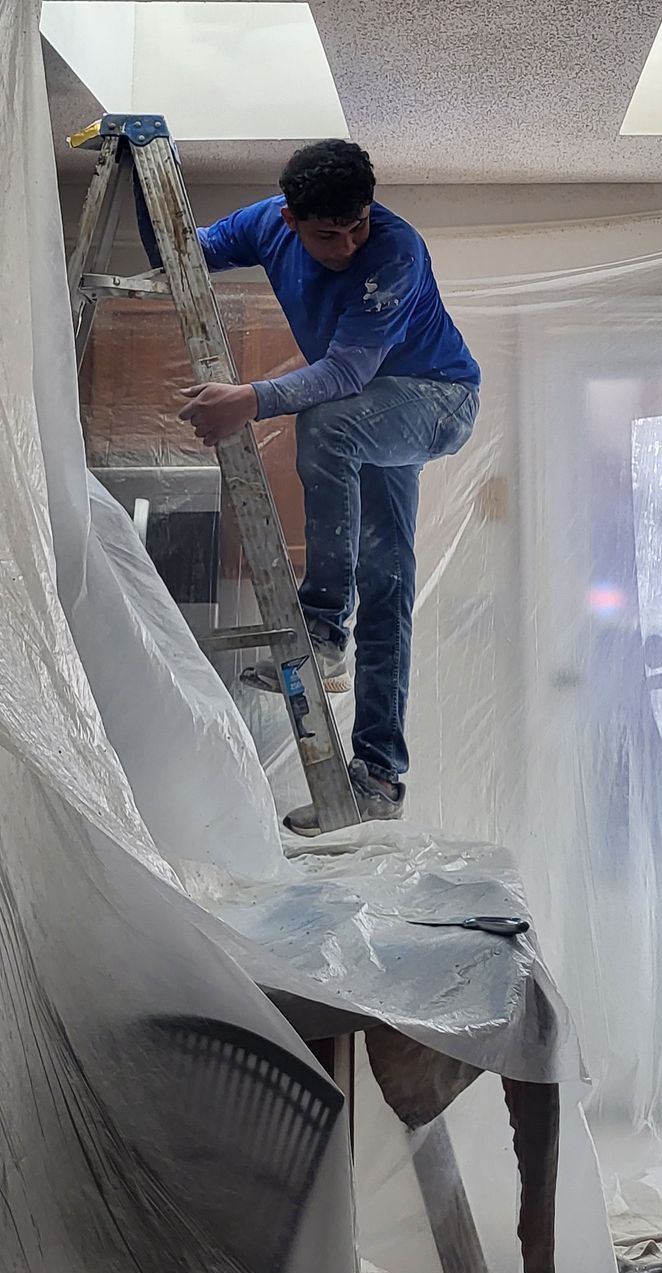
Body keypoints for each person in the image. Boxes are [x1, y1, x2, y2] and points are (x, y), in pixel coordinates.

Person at [175, 137, 479, 829]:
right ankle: (378, 777)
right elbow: (185, 251)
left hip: (437, 400)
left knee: (329, 423)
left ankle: (321, 625)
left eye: (356, 226)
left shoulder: (394, 253)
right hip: (380, 413)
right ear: (289, 219)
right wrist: (141, 185)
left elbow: (345, 376)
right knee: (389, 581)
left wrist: (245, 398)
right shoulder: (264, 224)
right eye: (326, 234)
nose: (345, 247)